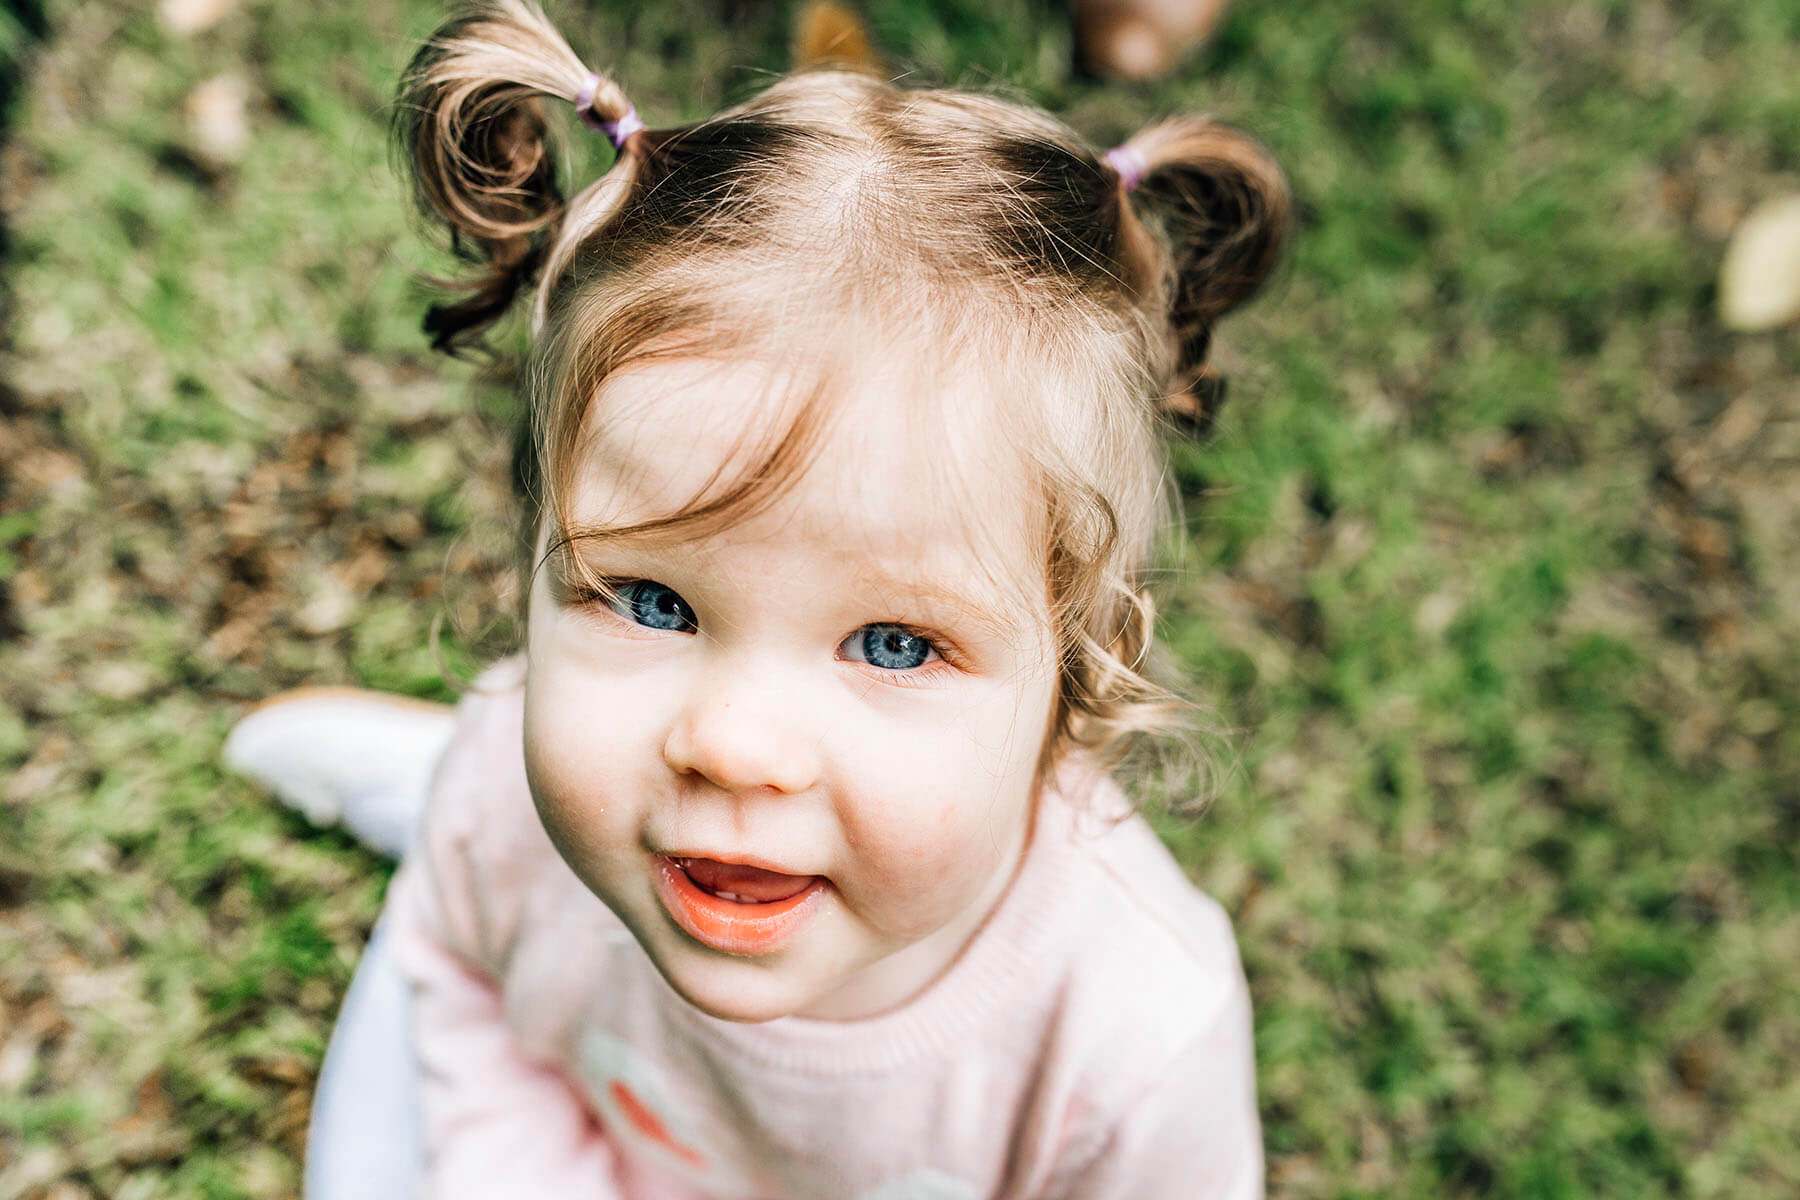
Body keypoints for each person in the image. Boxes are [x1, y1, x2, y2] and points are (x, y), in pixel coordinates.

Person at [226, 0, 1290, 1194]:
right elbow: (466, 986)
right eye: (655, 602)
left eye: (892, 644)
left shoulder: (1131, 1044)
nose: (733, 747)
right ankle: (427, 807)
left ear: (1076, 679)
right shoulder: (519, 793)